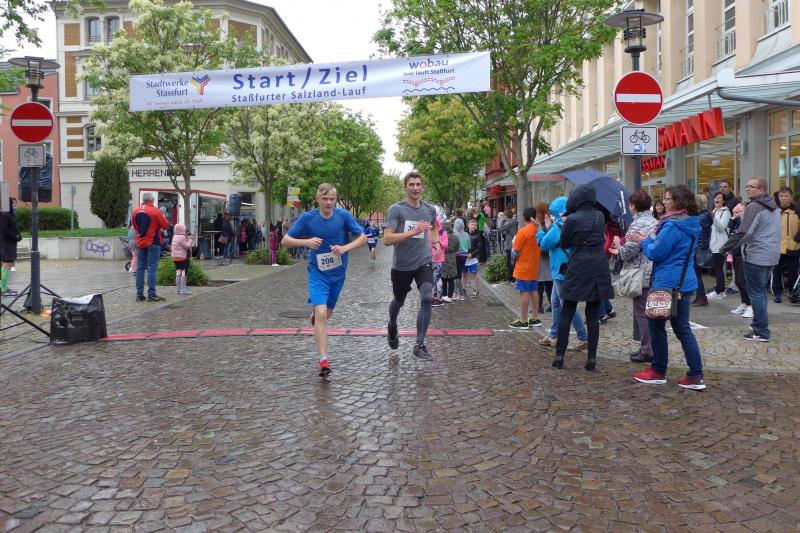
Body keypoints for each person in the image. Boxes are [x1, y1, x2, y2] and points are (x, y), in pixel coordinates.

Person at [282, 183, 366, 377]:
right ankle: (323, 360)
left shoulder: (343, 216)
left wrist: (344, 248)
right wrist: (306, 242)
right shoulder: (308, 218)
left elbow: (362, 237)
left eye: (332, 199)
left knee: (326, 314)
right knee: (320, 314)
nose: (329, 202)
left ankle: (317, 317)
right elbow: (285, 240)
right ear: (318, 199)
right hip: (317, 273)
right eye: (325, 199)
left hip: (338, 274)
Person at [629, 185, 705, 390]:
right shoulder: (691, 223)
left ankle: (658, 371)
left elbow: (656, 253)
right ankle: (696, 374)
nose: (664, 202)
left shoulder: (672, 225)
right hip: (684, 282)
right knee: (682, 329)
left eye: (668, 198)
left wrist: (644, 241)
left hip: (666, 283)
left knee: (656, 327)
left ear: (679, 202)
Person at [553, 184, 614, 371]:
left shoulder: (572, 219)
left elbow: (565, 243)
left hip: (578, 264)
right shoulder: (599, 216)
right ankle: (592, 358)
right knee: (592, 314)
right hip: (598, 265)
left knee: (567, 311)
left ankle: (560, 356)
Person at [382, 171, 440, 361]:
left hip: (423, 261)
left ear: (422, 187)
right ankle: (392, 325)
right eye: (411, 185)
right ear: (405, 187)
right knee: (398, 301)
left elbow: (433, 228)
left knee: (427, 297)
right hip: (402, 264)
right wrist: (412, 232)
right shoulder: (396, 210)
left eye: (418, 184)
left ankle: (419, 345)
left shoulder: (429, 210)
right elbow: (387, 239)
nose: (415, 188)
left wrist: (436, 243)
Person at [720, 177, 781, 341]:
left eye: (751, 186)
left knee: (756, 294)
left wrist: (724, 249)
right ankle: (759, 325)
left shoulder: (755, 206)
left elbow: (744, 232)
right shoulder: (774, 206)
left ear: (762, 189)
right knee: (760, 293)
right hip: (771, 255)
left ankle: (761, 331)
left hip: (756, 255)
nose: (747, 189)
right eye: (747, 186)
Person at [537, 196, 589, 350]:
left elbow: (544, 244)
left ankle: (582, 336)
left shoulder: (558, 226)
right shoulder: (571, 223)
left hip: (561, 270)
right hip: (564, 268)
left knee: (567, 305)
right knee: (555, 303)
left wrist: (540, 230)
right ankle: (554, 335)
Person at [612, 190, 658, 363]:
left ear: (634, 206)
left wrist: (619, 247)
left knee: (641, 312)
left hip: (640, 272)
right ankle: (651, 347)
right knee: (649, 311)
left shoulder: (637, 224)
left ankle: (647, 349)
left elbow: (630, 251)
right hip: (652, 271)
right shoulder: (654, 221)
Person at [132, 192, 170, 302]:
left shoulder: (135, 211)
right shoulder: (155, 211)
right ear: (151, 200)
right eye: (153, 199)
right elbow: (166, 226)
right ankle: (151, 294)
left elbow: (135, 226)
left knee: (140, 268)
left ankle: (139, 294)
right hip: (153, 242)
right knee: (152, 267)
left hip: (141, 242)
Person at [508, 207, 542, 329]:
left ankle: (523, 320)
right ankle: (535, 318)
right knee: (534, 291)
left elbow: (515, 251)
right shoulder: (538, 231)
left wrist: (512, 263)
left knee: (524, 292)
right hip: (534, 266)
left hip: (523, 267)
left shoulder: (523, 232)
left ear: (524, 217)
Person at [773, 187, 800, 303]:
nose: (783, 198)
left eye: (786, 196)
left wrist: (798, 237)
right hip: (777, 246)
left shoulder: (797, 210)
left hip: (793, 245)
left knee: (793, 270)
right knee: (776, 270)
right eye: (781, 196)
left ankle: (791, 291)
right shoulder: (774, 210)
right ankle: (777, 293)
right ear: (778, 197)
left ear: (791, 197)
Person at [727, 203, 753, 318]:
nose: (737, 213)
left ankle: (750, 306)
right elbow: (731, 232)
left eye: (740, 211)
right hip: (736, 253)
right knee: (738, 281)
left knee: (743, 281)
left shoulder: (747, 223)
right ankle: (744, 303)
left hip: (744, 254)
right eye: (736, 211)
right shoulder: (737, 222)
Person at [707, 192, 732, 300]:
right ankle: (719, 289)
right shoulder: (713, 211)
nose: (716, 199)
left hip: (721, 245)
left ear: (724, 201)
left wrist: (713, 218)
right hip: (713, 244)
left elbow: (721, 228)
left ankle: (720, 291)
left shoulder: (726, 212)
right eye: (716, 197)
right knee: (716, 268)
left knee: (718, 268)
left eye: (719, 198)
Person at [690, 194, 711, 306]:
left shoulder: (703, 217)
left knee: (696, 274)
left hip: (699, 248)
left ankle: (702, 297)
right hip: (698, 247)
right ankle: (699, 296)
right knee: (696, 273)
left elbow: (693, 227)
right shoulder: (703, 215)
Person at [0, 200, 22, 297]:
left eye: (16, 204)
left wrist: (18, 236)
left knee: (6, 266)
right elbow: (4, 230)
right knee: (7, 265)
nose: (15, 206)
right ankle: (3, 289)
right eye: (14, 205)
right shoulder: (4, 215)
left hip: (10, 243)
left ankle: (3, 287)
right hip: (7, 244)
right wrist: (15, 236)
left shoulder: (9, 215)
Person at [534, 202, 553, 313]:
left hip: (541, 257)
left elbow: (540, 243)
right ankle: (551, 304)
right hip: (549, 258)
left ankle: (539, 306)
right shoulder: (550, 223)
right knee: (549, 282)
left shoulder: (540, 226)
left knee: (539, 283)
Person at [440, 220, 460, 302]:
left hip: (443, 257)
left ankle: (444, 295)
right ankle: (450, 296)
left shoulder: (441, 236)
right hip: (452, 258)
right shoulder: (455, 237)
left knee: (443, 278)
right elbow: (457, 248)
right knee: (451, 279)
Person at [497, 208, 518, 283]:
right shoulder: (513, 222)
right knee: (510, 262)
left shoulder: (511, 223)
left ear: (506, 216)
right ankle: (511, 277)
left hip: (510, 245)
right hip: (510, 243)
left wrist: (503, 221)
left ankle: (511, 278)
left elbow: (500, 229)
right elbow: (505, 232)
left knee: (510, 262)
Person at [171, 223, 193, 295]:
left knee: (178, 272)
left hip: (175, 257)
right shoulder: (182, 237)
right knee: (183, 272)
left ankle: (178, 289)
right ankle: (183, 289)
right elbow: (187, 246)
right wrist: (190, 239)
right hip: (181, 257)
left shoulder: (175, 236)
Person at [431, 217, 447, 306]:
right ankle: (437, 298)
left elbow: (446, 244)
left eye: (436, 222)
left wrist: (439, 243)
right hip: (430, 259)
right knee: (435, 279)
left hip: (439, 259)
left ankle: (437, 298)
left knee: (435, 279)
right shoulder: (430, 231)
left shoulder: (442, 232)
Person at [464, 219, 482, 297]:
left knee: (474, 273)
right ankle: (463, 289)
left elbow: (479, 247)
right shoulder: (465, 234)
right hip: (464, 257)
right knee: (464, 273)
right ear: (468, 225)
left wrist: (472, 254)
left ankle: (475, 289)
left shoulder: (477, 236)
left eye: (475, 225)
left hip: (473, 258)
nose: (473, 226)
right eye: (472, 225)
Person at [453, 218, 469, 301]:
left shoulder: (454, 234)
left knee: (457, 275)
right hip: (464, 256)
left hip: (456, 255)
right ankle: (459, 293)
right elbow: (469, 246)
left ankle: (458, 293)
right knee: (459, 274)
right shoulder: (466, 234)